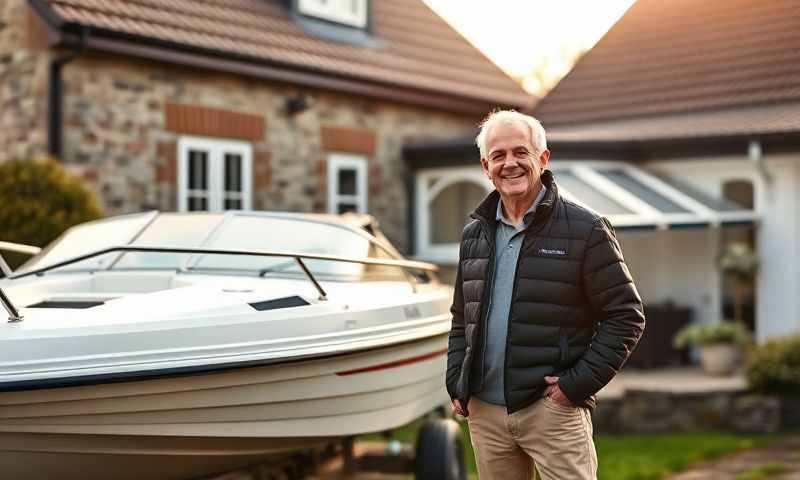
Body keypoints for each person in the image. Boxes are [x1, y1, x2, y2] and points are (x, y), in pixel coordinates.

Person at [445, 110, 645, 480]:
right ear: (485, 166)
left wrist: (574, 386)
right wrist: (457, 378)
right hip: (486, 413)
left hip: (551, 411)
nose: (510, 164)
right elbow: (462, 316)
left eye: (520, 152)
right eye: (499, 155)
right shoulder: (475, 232)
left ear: (543, 158)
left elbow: (626, 315)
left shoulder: (586, 229)